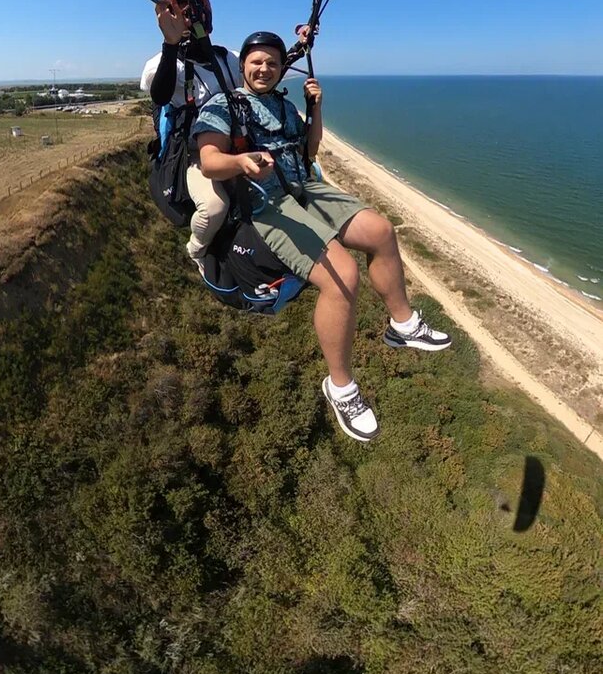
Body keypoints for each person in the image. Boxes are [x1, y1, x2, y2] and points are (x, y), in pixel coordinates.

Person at [193, 31, 451, 444]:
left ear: (282, 70)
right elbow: (209, 161)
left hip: (304, 188)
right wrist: (241, 161)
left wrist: (316, 108)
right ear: (242, 65)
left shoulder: (283, 105)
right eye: (257, 62)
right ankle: (341, 386)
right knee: (343, 276)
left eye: (273, 64)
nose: (265, 69)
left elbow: (310, 150)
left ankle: (401, 324)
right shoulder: (226, 105)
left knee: (382, 231)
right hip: (266, 203)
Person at [140, 0, 240, 270]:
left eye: (192, 11)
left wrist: (299, 47)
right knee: (214, 208)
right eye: (181, 10)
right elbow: (160, 94)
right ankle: (197, 251)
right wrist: (171, 45)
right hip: (193, 154)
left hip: (231, 147)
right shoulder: (163, 63)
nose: (187, 17)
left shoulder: (228, 59)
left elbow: (263, 72)